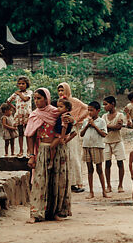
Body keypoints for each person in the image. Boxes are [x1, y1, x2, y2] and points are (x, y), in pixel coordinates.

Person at [26, 88, 72, 222]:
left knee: (58, 181)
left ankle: (56, 212)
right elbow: (30, 136)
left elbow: (68, 122)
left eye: (39, 98)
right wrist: (31, 155)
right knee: (40, 181)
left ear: (46, 99)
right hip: (43, 150)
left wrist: (72, 121)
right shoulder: (34, 115)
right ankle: (36, 213)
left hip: (59, 150)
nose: (36, 101)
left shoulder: (56, 111)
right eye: (34, 98)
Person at [57, 82, 88, 193]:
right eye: (59, 90)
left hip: (73, 131)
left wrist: (77, 119)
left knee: (74, 156)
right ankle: (66, 183)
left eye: (62, 90)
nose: (61, 92)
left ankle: (75, 182)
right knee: (65, 157)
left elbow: (87, 109)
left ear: (67, 90)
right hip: (63, 133)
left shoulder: (74, 101)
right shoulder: (60, 103)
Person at [80, 101, 109, 199]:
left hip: (97, 146)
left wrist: (94, 126)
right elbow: (81, 134)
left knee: (99, 169)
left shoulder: (101, 121)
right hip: (86, 146)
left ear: (98, 111)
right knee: (89, 169)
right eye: (88, 110)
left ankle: (104, 191)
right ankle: (91, 191)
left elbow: (104, 134)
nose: (90, 112)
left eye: (91, 110)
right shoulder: (86, 121)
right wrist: (88, 125)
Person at [103, 96, 126, 193]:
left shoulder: (120, 115)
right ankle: (108, 185)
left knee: (120, 162)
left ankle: (120, 185)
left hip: (117, 141)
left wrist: (108, 126)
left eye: (106, 104)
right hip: (106, 142)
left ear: (112, 104)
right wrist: (113, 126)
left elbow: (118, 127)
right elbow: (105, 127)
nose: (104, 106)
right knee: (107, 163)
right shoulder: (104, 116)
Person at [6, 76, 33, 157]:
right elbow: (8, 101)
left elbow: (25, 99)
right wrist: (15, 108)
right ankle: (21, 150)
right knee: (20, 133)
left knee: (28, 134)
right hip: (19, 115)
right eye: (19, 84)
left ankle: (29, 150)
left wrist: (19, 93)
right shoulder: (16, 94)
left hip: (27, 115)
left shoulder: (29, 92)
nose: (21, 85)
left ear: (27, 84)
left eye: (23, 84)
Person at [48, 98, 74, 169]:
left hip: (61, 135)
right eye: (58, 107)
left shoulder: (65, 116)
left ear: (67, 108)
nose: (58, 108)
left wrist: (62, 138)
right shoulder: (62, 115)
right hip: (60, 134)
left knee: (52, 146)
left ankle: (51, 161)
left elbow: (64, 127)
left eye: (61, 107)